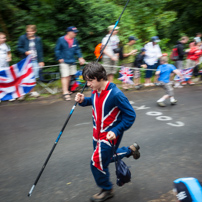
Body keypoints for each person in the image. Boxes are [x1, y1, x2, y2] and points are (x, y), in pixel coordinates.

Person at [75, 62, 140, 202]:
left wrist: (116, 131)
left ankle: (107, 190)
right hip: (96, 134)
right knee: (107, 159)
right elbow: (94, 101)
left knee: (96, 162)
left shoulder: (116, 94)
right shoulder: (95, 90)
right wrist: (82, 101)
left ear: (100, 77)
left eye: (90, 80)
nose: (88, 84)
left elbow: (130, 115)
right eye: (87, 81)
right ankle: (130, 150)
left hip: (109, 136)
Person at [55, 26, 85, 101]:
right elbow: (57, 49)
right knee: (65, 76)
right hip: (64, 61)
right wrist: (59, 58)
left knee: (69, 76)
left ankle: (67, 90)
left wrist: (80, 57)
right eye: (74, 32)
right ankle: (65, 93)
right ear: (68, 32)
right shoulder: (61, 39)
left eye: (76, 32)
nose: (75, 34)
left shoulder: (75, 40)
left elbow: (77, 49)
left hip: (72, 60)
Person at [17, 25, 45, 99]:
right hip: (25, 60)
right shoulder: (22, 38)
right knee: (24, 76)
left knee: (34, 76)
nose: (29, 33)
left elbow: (40, 50)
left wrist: (41, 60)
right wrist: (25, 52)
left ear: (34, 31)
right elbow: (19, 47)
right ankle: (22, 94)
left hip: (35, 60)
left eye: (31, 31)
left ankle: (32, 91)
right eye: (28, 31)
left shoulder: (38, 39)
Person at [0, 32, 12, 103]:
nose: (4, 39)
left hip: (5, 66)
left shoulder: (6, 45)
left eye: (5, 37)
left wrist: (9, 57)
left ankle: (9, 95)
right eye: (2, 38)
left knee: (7, 80)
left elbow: (9, 53)